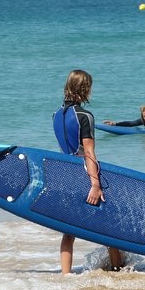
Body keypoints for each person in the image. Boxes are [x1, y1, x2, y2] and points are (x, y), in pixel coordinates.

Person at [52, 69, 123, 274]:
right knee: (108, 225)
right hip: (84, 172)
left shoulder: (56, 115)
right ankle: (117, 270)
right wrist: (95, 183)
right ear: (84, 89)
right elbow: (89, 152)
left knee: (68, 231)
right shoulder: (84, 116)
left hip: (65, 174)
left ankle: (65, 276)